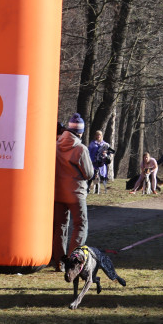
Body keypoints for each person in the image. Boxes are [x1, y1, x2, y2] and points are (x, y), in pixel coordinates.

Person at [52, 113, 95, 269]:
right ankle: (73, 259)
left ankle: (59, 262)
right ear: (80, 132)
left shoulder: (55, 145)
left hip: (58, 193)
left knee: (60, 227)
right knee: (80, 225)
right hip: (76, 194)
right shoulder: (80, 149)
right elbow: (88, 173)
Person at [87, 130, 112, 194]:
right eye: (97, 135)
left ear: (101, 136)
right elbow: (88, 151)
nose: (98, 136)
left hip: (101, 162)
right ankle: (88, 189)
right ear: (95, 136)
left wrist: (106, 153)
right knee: (91, 175)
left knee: (100, 176)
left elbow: (110, 152)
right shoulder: (92, 143)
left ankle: (98, 190)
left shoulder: (105, 144)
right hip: (93, 161)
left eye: (99, 135)